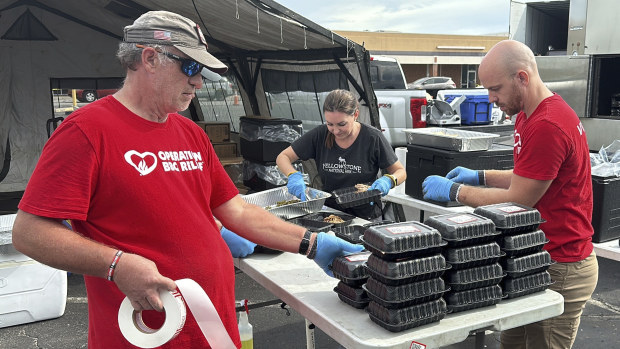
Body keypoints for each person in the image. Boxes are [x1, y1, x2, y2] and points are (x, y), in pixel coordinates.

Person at [11, 11, 362, 349]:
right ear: (149, 58)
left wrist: (312, 243)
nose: (198, 80)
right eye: (190, 66)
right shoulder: (86, 132)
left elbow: (236, 211)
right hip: (149, 334)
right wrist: (116, 264)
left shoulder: (189, 132)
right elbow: (30, 232)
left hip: (212, 326)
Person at [422, 40, 598, 349]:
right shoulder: (527, 115)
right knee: (511, 343)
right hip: (534, 255)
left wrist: (457, 191)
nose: (491, 99)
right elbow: (530, 176)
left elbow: (519, 200)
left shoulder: (549, 124)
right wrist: (481, 175)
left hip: (561, 263)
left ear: (522, 77)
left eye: (495, 88)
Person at [276, 89, 406, 220]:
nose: (336, 131)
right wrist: (293, 176)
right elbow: (283, 157)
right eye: (330, 124)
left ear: (355, 114)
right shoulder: (320, 135)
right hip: (330, 212)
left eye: (342, 124)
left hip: (365, 216)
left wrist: (389, 180)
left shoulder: (372, 137)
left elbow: (400, 172)